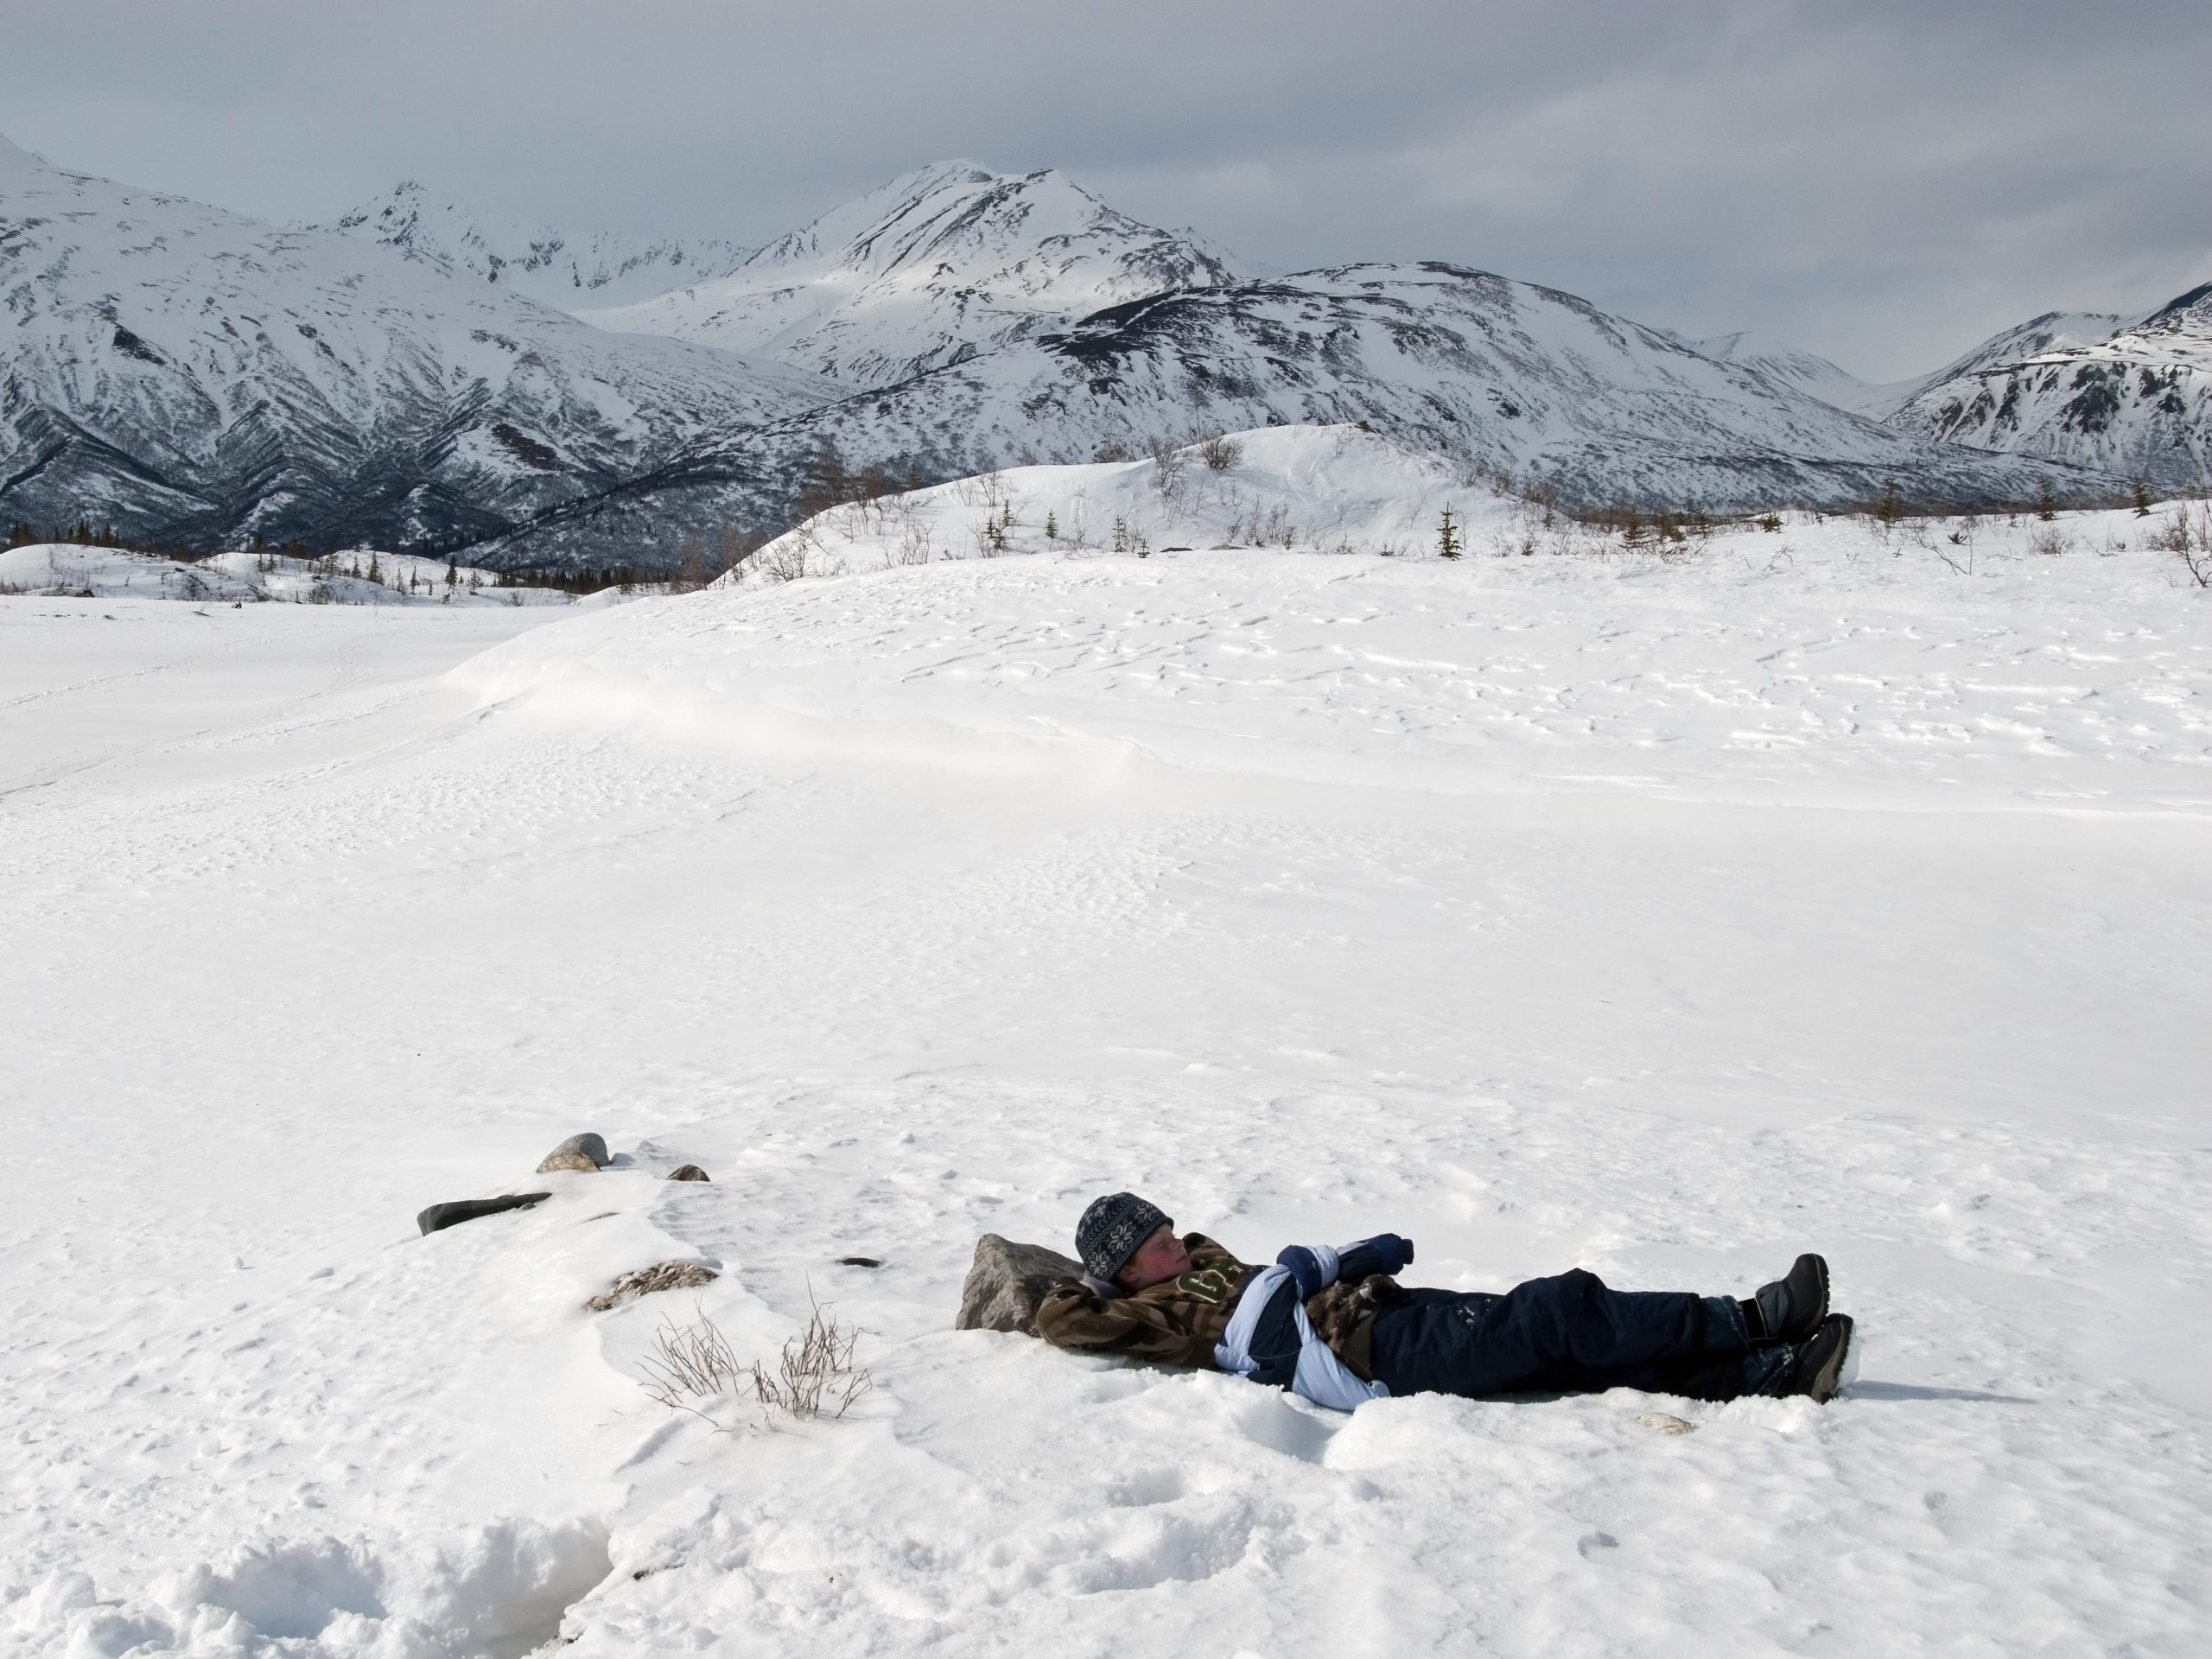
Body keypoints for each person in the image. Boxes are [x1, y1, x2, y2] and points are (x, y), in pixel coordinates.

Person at [1035, 1192, 1854, 1412]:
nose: (1172, 1239)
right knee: (1557, 1312)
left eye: (1165, 1226)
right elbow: (1059, 1317)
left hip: (1379, 1309)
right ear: (1125, 1273)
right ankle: (1748, 1320)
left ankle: (1762, 1376)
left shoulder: (1200, 1260)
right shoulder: (1142, 1315)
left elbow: (1279, 1279)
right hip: (1364, 1353)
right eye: (1152, 1241)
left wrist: (1342, 1262)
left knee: (1566, 1346)